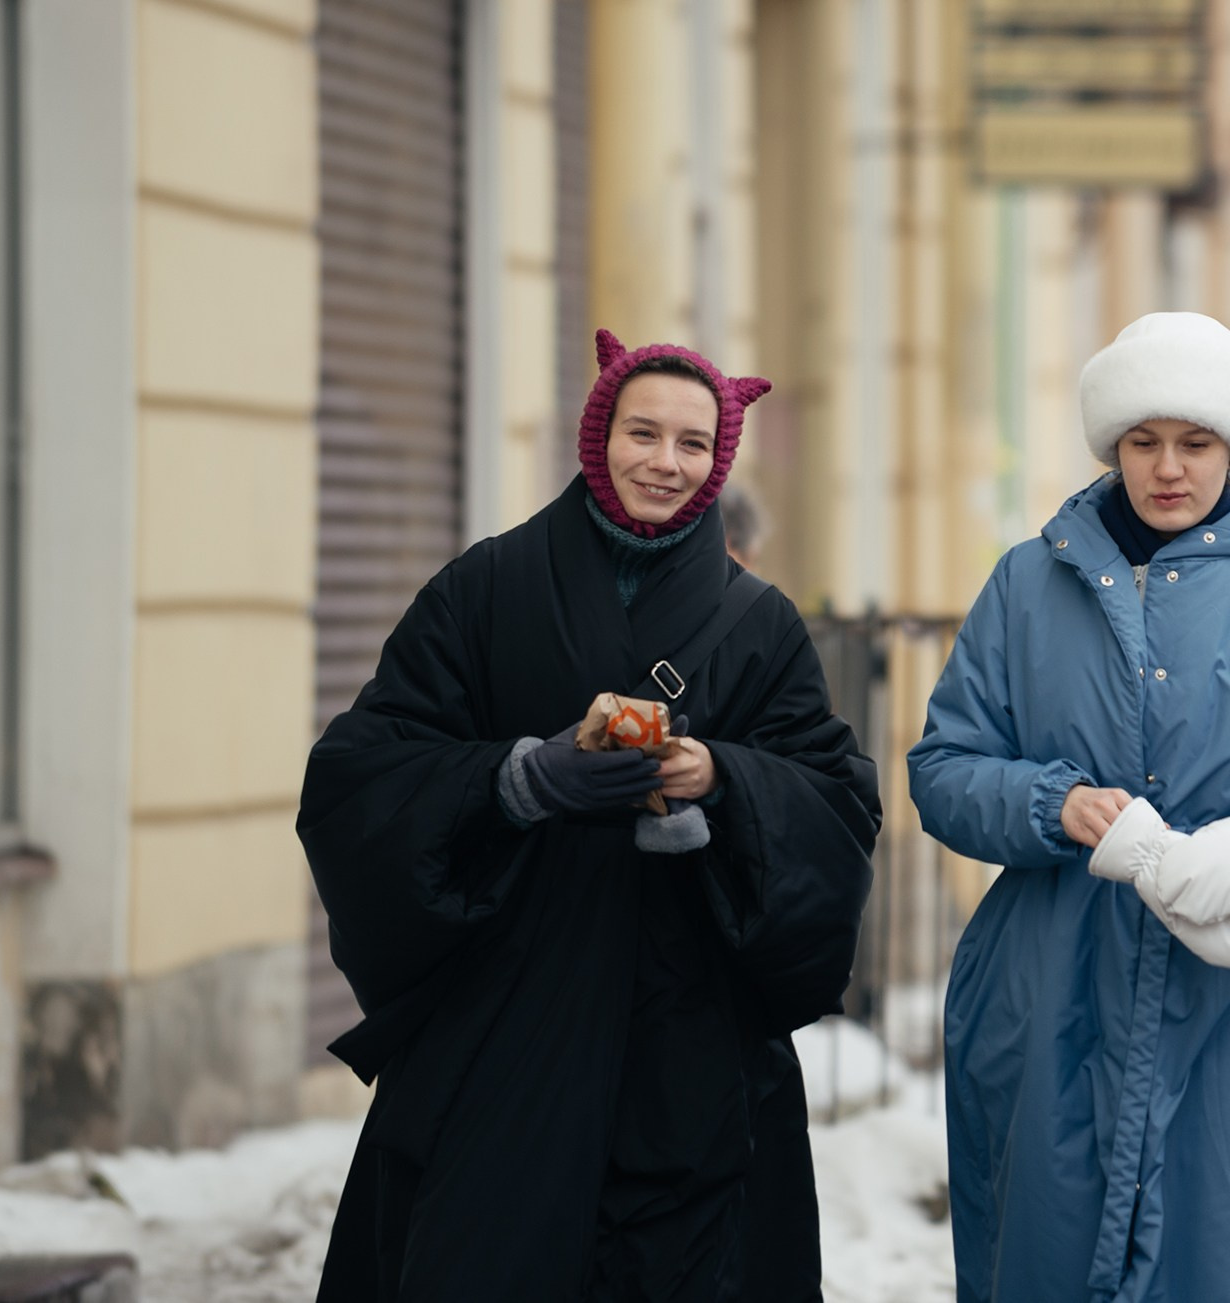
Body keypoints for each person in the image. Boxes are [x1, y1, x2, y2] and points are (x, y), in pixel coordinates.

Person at [299, 330, 881, 1302]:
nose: (664, 460)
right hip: (504, 1014)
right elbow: (361, 772)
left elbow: (832, 794)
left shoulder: (762, 622)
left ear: (719, 458)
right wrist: (523, 780)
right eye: (641, 431)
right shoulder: (482, 586)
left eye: (692, 443)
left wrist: (717, 782)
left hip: (690, 1036)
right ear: (595, 432)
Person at [908, 312, 1230, 1303]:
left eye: (1193, 442)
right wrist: (1059, 807)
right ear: (1112, 446)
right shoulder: (1025, 585)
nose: (1167, 467)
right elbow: (944, 765)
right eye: (1142, 441)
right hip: (1055, 993)